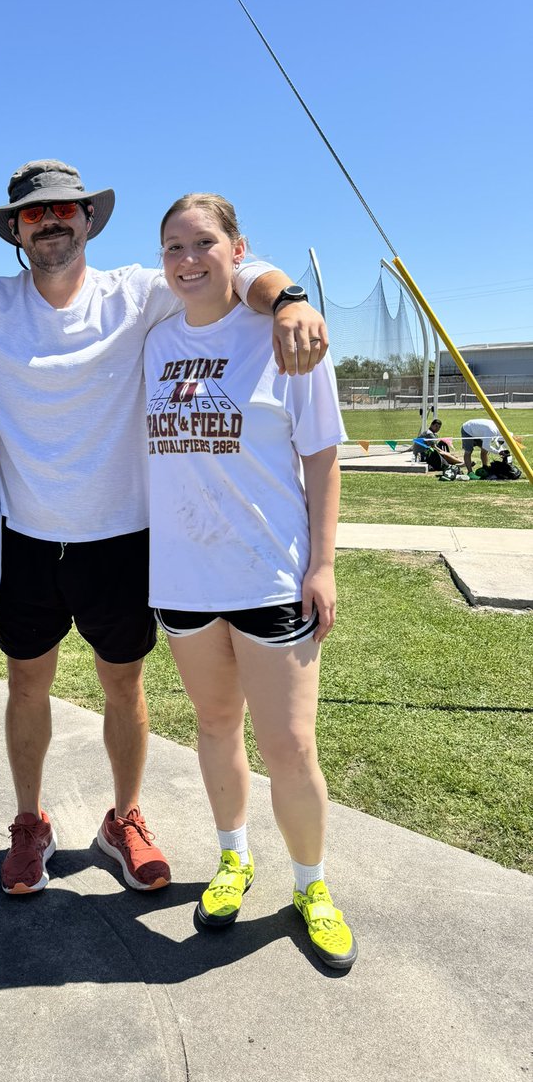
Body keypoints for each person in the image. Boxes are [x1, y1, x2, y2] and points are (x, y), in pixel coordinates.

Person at [0, 160, 329, 900]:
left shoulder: (140, 292)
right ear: (15, 229)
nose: (50, 222)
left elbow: (231, 268)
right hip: (25, 539)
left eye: (65, 210)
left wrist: (291, 301)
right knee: (28, 685)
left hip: (120, 537)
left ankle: (125, 817)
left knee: (125, 685)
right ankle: (30, 823)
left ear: (88, 219)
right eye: (32, 214)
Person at [144, 193, 357, 968]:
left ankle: (311, 886)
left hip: (269, 575)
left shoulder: (285, 339)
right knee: (213, 727)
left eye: (204, 242)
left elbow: (322, 456)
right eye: (174, 246)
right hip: (183, 580)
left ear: (239, 249)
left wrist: (322, 563)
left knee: (291, 745)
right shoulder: (154, 341)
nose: (188, 259)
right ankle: (234, 859)